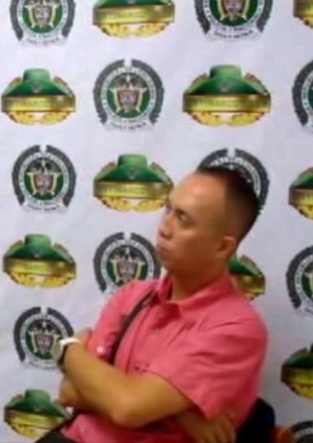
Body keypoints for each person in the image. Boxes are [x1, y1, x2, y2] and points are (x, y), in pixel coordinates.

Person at [48, 166, 269, 443]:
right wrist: (179, 413)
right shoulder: (133, 296)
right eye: (168, 210)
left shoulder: (236, 328)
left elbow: (127, 408)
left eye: (183, 219)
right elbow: (69, 391)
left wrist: (67, 351)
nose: (165, 228)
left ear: (222, 247)